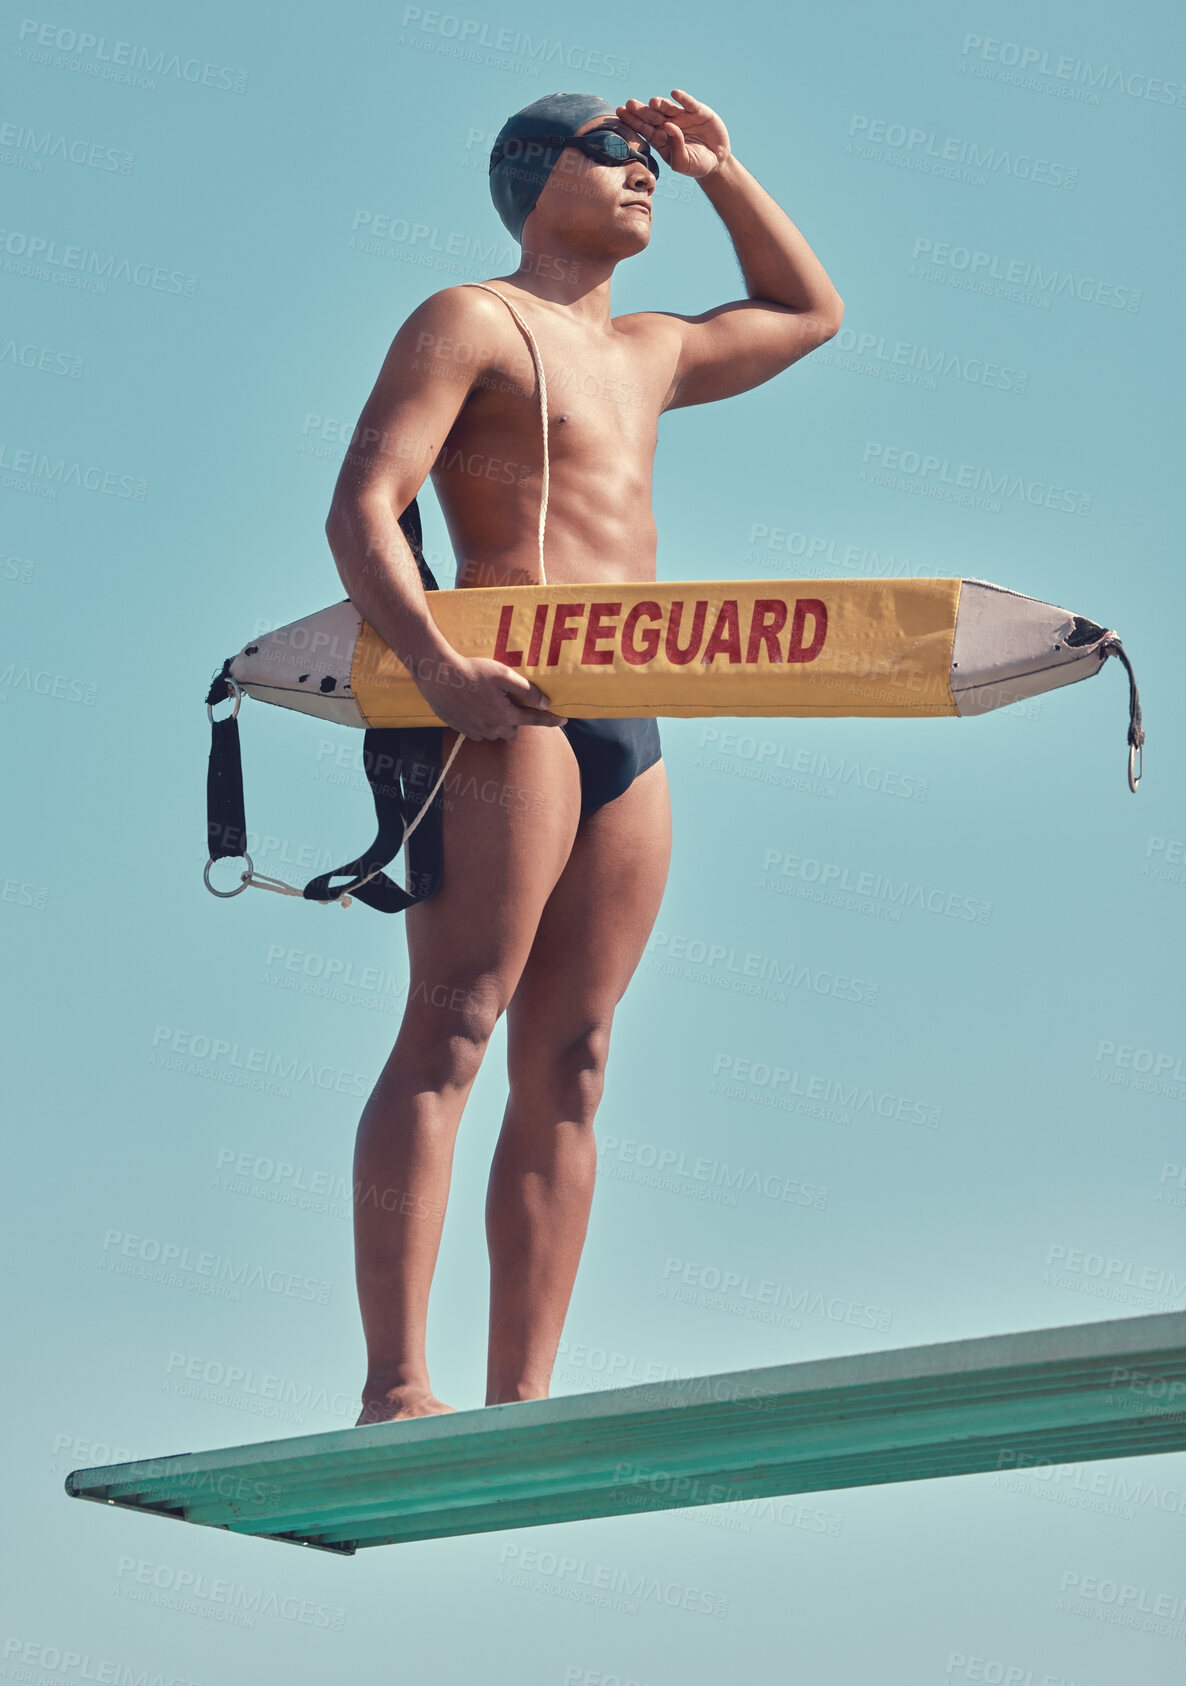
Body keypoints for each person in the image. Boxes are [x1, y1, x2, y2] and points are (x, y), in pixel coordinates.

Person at [325, 88, 844, 1423]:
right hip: (501, 688)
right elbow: (363, 506)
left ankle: (523, 1397)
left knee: (577, 1055)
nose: (643, 174)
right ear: (531, 176)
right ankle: (398, 1383)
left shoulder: (654, 349)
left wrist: (724, 166)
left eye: (651, 162)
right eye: (616, 154)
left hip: (630, 707)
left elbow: (807, 313)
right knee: (453, 1023)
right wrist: (439, 669)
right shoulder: (469, 318)